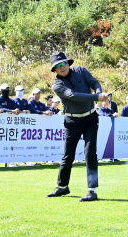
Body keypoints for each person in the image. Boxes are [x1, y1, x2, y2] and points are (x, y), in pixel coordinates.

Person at [46, 51, 108, 202]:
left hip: (90, 118)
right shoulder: (57, 84)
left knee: (90, 152)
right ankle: (62, 187)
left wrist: (99, 92)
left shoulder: (81, 70)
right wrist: (96, 97)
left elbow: (94, 83)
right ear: (54, 70)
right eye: (57, 66)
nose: (62, 67)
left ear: (68, 63)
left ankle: (91, 190)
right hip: (72, 121)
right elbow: (73, 95)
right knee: (68, 155)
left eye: (63, 63)